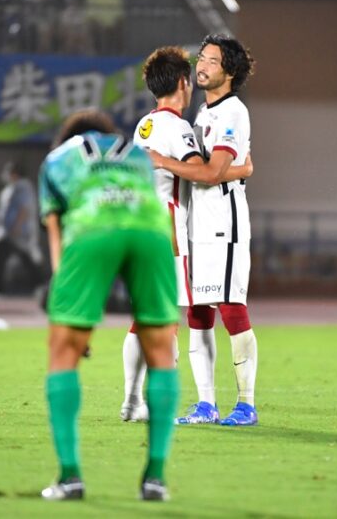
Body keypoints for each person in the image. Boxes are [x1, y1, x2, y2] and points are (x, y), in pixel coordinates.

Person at [38, 109, 179, 501]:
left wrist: (66, 312)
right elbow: (154, 202)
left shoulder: (57, 160)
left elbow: (58, 237)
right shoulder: (135, 153)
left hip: (92, 229)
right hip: (151, 232)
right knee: (160, 350)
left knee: (63, 351)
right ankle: (155, 478)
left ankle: (70, 478)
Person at [120, 45, 253, 422]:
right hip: (170, 229)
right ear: (182, 82)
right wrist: (241, 171)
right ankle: (179, 401)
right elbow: (205, 171)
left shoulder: (144, 124)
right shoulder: (178, 127)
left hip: (142, 225)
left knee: (154, 314)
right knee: (183, 315)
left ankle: (137, 400)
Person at [0, 160, 42, 298]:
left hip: (19, 233)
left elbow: (24, 208)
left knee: (28, 259)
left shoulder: (22, 187)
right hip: (7, 232)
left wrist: (17, 226)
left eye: (9, 172)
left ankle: (40, 286)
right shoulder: (11, 188)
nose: (6, 175)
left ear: (15, 173)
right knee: (3, 257)